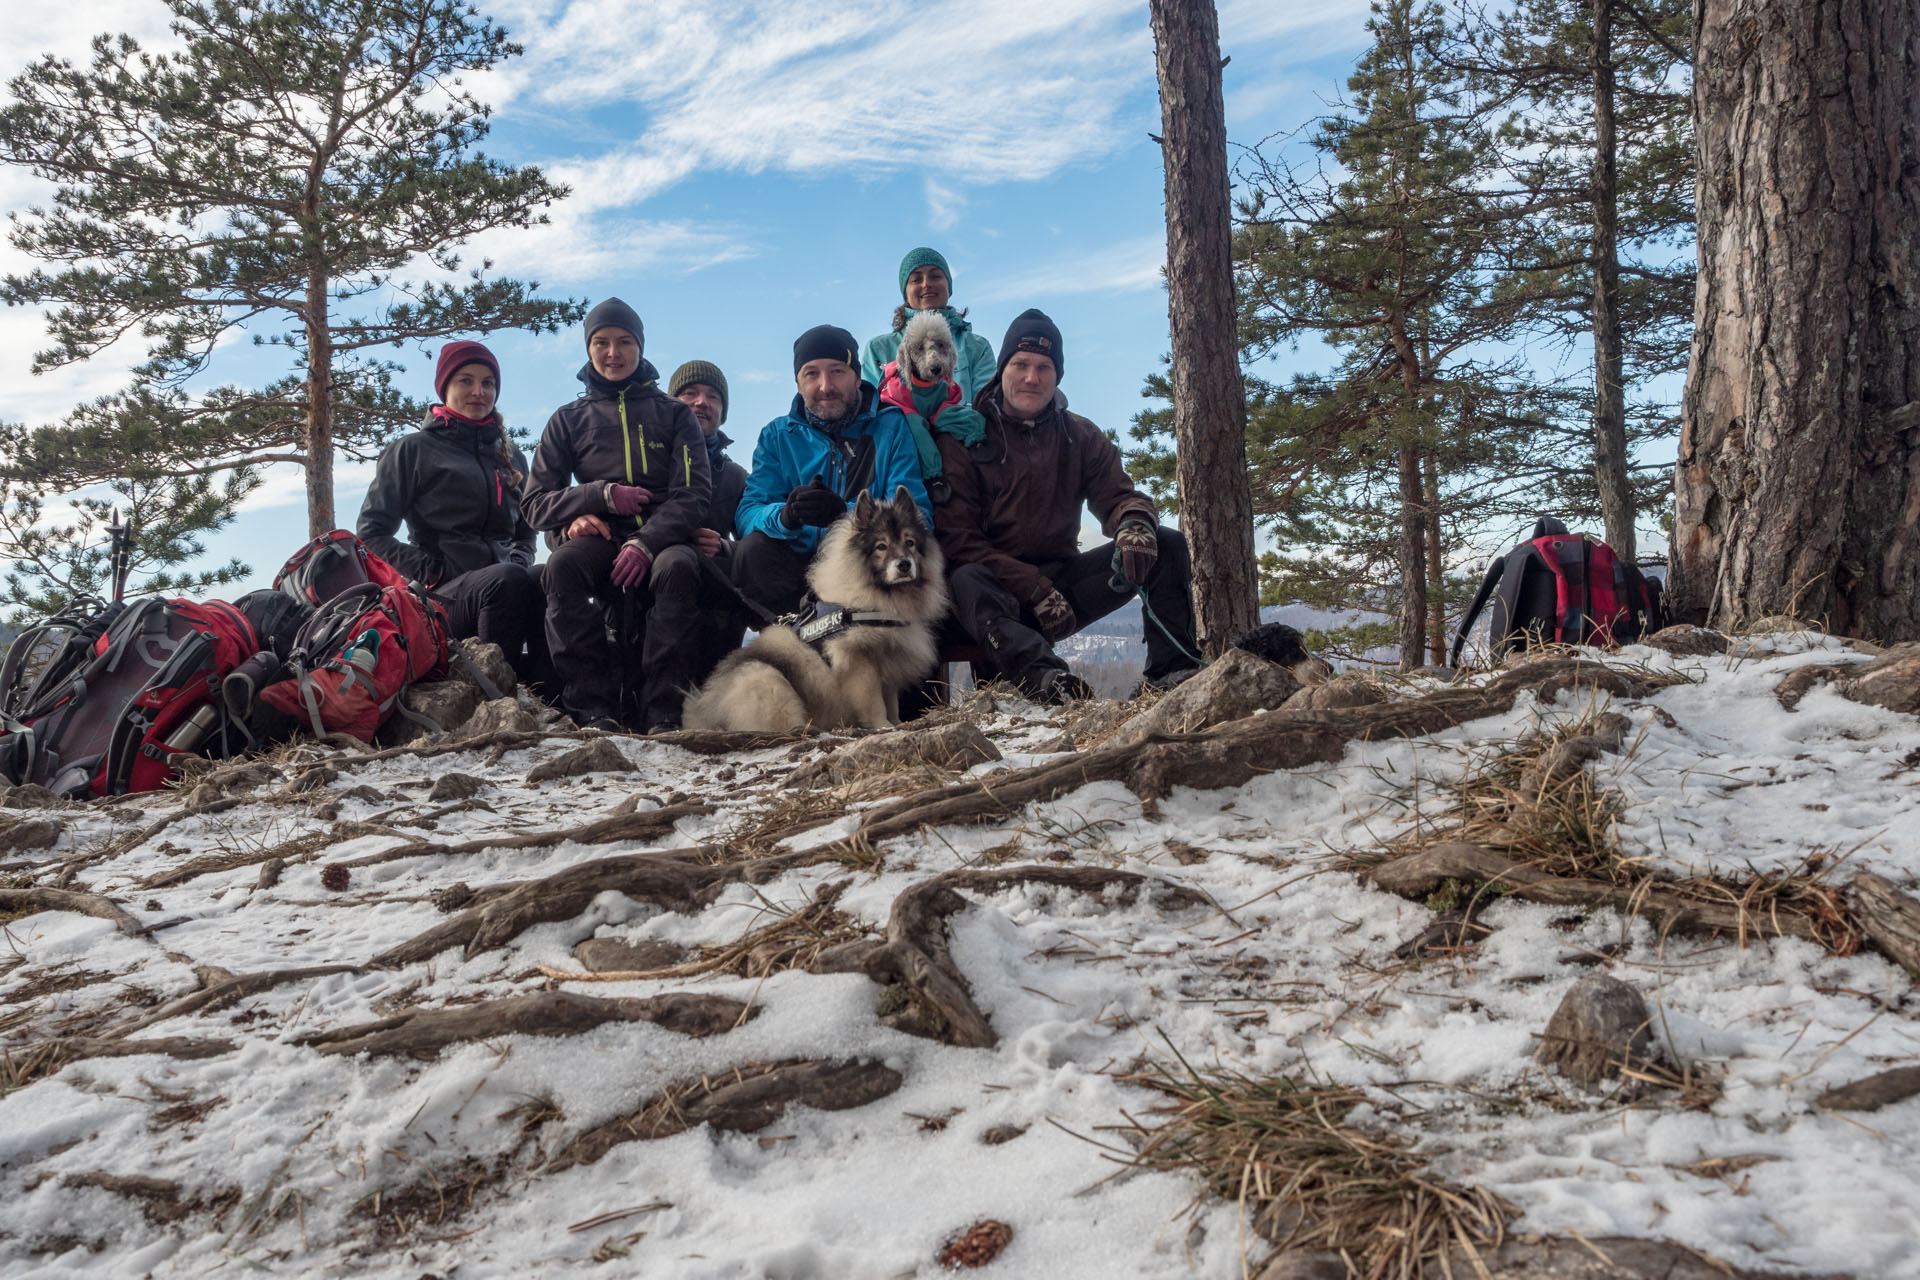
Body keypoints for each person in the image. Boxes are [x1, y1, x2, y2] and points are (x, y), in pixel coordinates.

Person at [932, 309, 1201, 703]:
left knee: (1166, 544)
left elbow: (1119, 495)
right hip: (989, 599)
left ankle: (1171, 673)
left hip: (1061, 593)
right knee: (966, 576)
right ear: (1002, 368)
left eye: (1044, 367)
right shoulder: (967, 435)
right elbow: (956, 540)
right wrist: (1031, 587)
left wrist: (1134, 522)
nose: (1031, 377)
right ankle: (1049, 683)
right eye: (1020, 364)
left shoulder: (1079, 435)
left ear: (1057, 375)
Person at [522, 299, 711, 729]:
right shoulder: (567, 420)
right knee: (562, 566)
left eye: (625, 341)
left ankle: (664, 713)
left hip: (664, 539)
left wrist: (646, 543)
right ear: (588, 348)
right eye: (602, 342)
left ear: (640, 348)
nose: (614, 352)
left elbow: (693, 494)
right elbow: (535, 504)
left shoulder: (675, 413)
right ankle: (593, 710)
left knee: (678, 567)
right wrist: (597, 498)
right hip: (601, 539)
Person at [560, 359, 748, 730]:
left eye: (713, 397)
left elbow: (753, 547)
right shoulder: (647, 467)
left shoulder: (737, 478)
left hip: (705, 616)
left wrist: (725, 550)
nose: (700, 403)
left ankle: (672, 712)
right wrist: (568, 529)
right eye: (689, 394)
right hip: (634, 599)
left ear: (723, 412)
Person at [357, 339, 548, 684]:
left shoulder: (510, 457)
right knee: (505, 581)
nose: (479, 391)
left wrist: (520, 560)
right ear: (445, 386)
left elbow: (527, 530)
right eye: (466, 380)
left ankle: (549, 694)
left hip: (504, 582)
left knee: (546, 576)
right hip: (440, 598)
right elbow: (371, 533)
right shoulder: (412, 450)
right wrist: (432, 570)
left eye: (488, 383)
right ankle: (491, 695)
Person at [733, 325, 931, 618]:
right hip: (794, 571)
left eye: (837, 371)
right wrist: (787, 515)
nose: (825, 386)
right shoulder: (777, 436)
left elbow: (919, 516)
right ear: (798, 382)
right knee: (751, 553)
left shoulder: (890, 426)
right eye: (811, 373)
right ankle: (793, 637)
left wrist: (845, 516)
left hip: (867, 572)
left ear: (856, 376)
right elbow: (748, 514)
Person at [860, 248, 997, 489]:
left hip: (965, 468)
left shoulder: (977, 347)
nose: (927, 284)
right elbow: (868, 414)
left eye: (935, 276)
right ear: (905, 290)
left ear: (948, 284)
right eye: (916, 279)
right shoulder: (878, 348)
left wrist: (945, 421)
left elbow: (988, 404)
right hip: (899, 470)